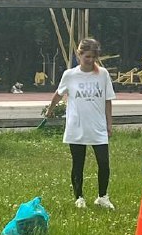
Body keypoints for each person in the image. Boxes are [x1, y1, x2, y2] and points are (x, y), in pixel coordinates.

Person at [45, 38, 116, 209]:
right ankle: (79, 197)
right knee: (78, 163)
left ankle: (103, 197)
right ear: (79, 55)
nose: (90, 60)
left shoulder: (103, 74)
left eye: (93, 57)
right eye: (87, 57)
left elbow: (107, 100)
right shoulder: (69, 75)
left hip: (97, 126)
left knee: (104, 163)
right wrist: (50, 109)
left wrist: (109, 123)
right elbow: (59, 93)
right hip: (76, 126)